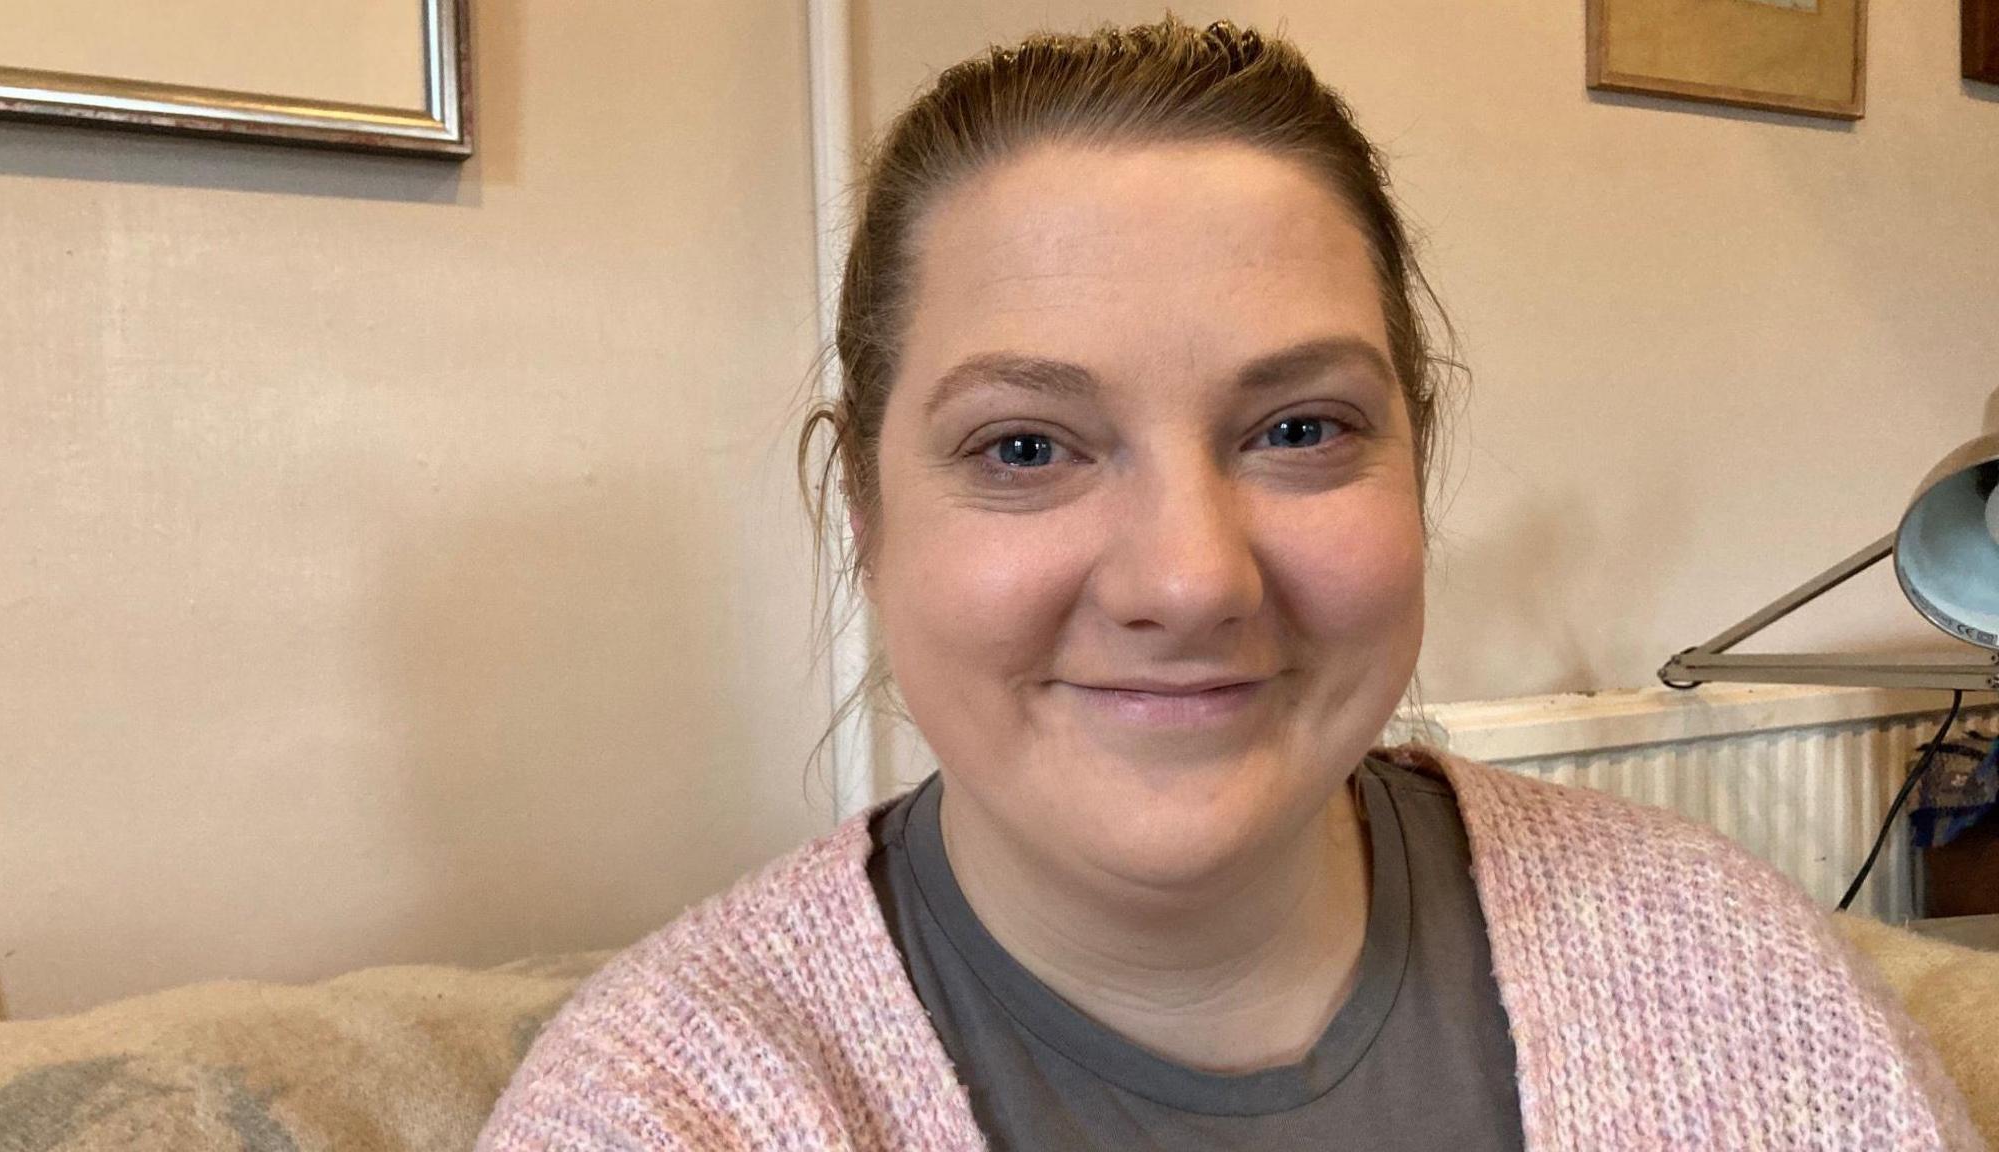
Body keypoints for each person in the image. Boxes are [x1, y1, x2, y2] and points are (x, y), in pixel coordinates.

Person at [478, 17, 1978, 1151]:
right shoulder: (666, 1103)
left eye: (1300, 430)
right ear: (865, 514)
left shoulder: (1741, 984)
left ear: (1417, 464)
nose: (1190, 578)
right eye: (1024, 445)